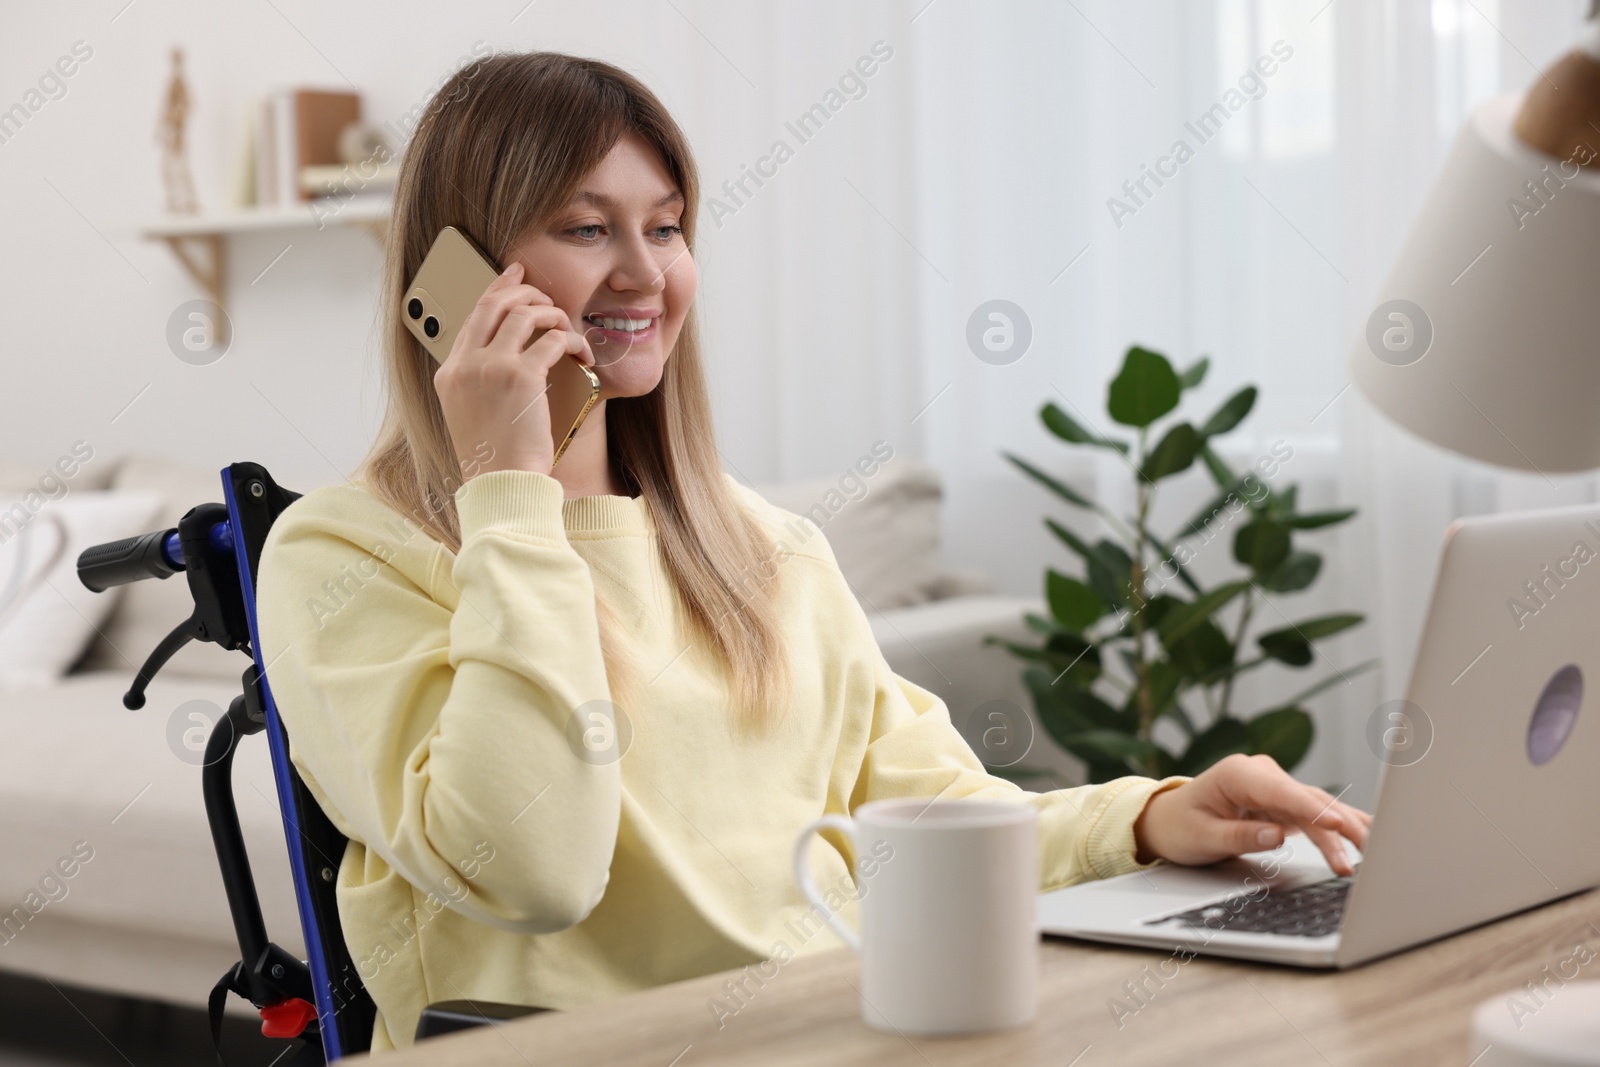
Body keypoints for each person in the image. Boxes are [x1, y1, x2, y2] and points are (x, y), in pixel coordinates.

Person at [256, 50, 1369, 1052]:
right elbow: (533, 869)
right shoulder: (341, 554)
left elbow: (925, 814)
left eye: (670, 224)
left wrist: (1147, 813)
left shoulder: (761, 547)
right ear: (459, 271)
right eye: (588, 227)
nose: (645, 273)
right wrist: (511, 488)